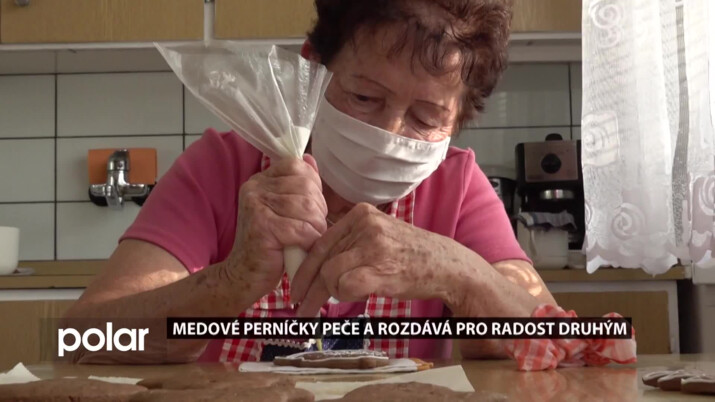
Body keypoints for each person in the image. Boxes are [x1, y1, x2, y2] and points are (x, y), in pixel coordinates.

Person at [65, 0, 556, 364]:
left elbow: (558, 344)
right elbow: (83, 341)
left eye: (426, 118)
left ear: (460, 121)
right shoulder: (220, 168)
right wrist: (230, 282)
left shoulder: (458, 188)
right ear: (312, 68)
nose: (388, 134)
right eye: (364, 97)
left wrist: (457, 273)